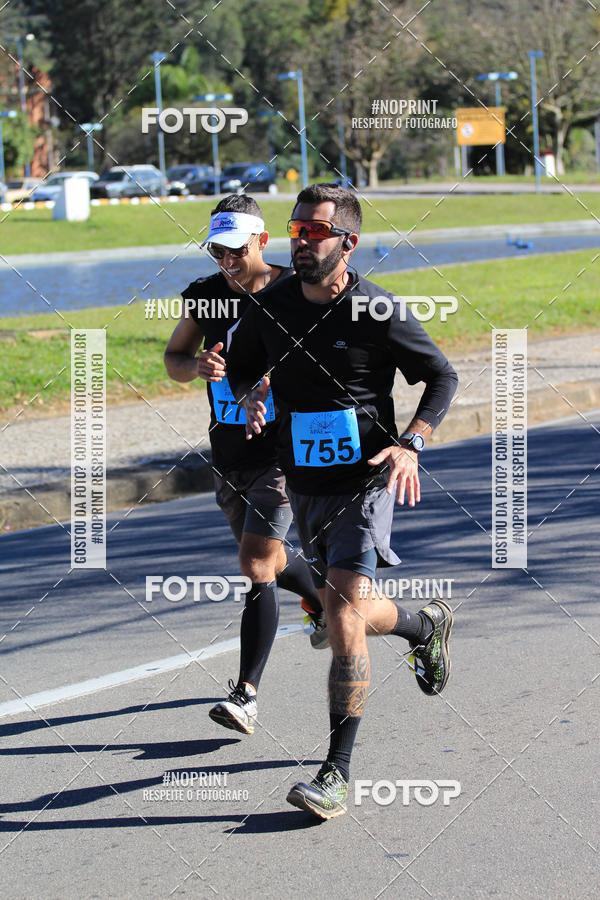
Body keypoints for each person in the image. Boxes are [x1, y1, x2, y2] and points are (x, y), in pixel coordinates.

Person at [227, 183, 458, 818]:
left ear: (347, 243)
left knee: (342, 613)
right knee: (341, 602)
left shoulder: (376, 310)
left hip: (366, 478)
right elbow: (242, 363)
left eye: (315, 232)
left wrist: (411, 443)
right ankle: (421, 626)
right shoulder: (270, 305)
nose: (301, 242)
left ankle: (336, 772)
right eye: (296, 230)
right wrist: (249, 392)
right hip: (301, 481)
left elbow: (442, 376)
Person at [164, 194, 327, 738]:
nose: (226, 262)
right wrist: (199, 365)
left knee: (256, 563)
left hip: (284, 453)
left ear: (261, 241)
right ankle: (323, 593)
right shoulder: (206, 296)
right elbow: (173, 361)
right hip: (229, 454)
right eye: (217, 251)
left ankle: (246, 694)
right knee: (271, 560)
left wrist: (271, 381)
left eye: (236, 250)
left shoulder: (293, 291)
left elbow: (328, 365)